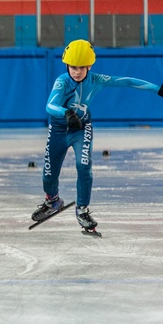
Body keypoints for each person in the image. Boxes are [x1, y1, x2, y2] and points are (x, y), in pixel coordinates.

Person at [31, 40, 163, 234]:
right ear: (67, 65)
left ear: (89, 66)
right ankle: (52, 201)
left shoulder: (97, 80)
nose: (77, 72)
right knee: (49, 175)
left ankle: (82, 210)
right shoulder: (62, 81)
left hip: (81, 129)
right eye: (73, 67)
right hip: (59, 130)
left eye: (81, 68)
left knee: (84, 166)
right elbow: (50, 105)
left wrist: (158, 89)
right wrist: (66, 114)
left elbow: (127, 81)